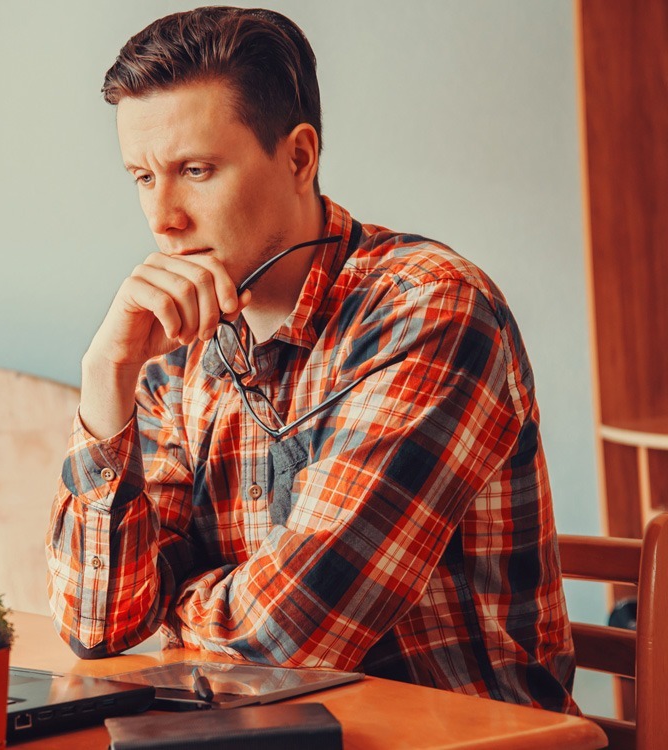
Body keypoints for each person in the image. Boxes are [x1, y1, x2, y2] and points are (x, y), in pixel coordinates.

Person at [46, 6, 577, 713]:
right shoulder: (174, 347)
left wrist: (176, 605)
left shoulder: (427, 310)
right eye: (143, 177)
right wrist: (106, 376)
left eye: (195, 170)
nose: (162, 217)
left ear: (299, 157)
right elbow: (97, 626)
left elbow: (286, 645)